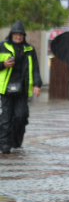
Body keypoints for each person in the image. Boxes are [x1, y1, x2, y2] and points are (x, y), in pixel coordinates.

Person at [0, 21, 42, 154]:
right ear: (12, 34)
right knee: (6, 117)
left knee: (21, 116)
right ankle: (4, 143)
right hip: (5, 88)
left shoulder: (29, 49)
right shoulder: (2, 46)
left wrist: (37, 84)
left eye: (20, 34)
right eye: (16, 34)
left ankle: (16, 140)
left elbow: (35, 68)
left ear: (24, 36)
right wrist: (3, 64)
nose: (18, 37)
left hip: (23, 89)